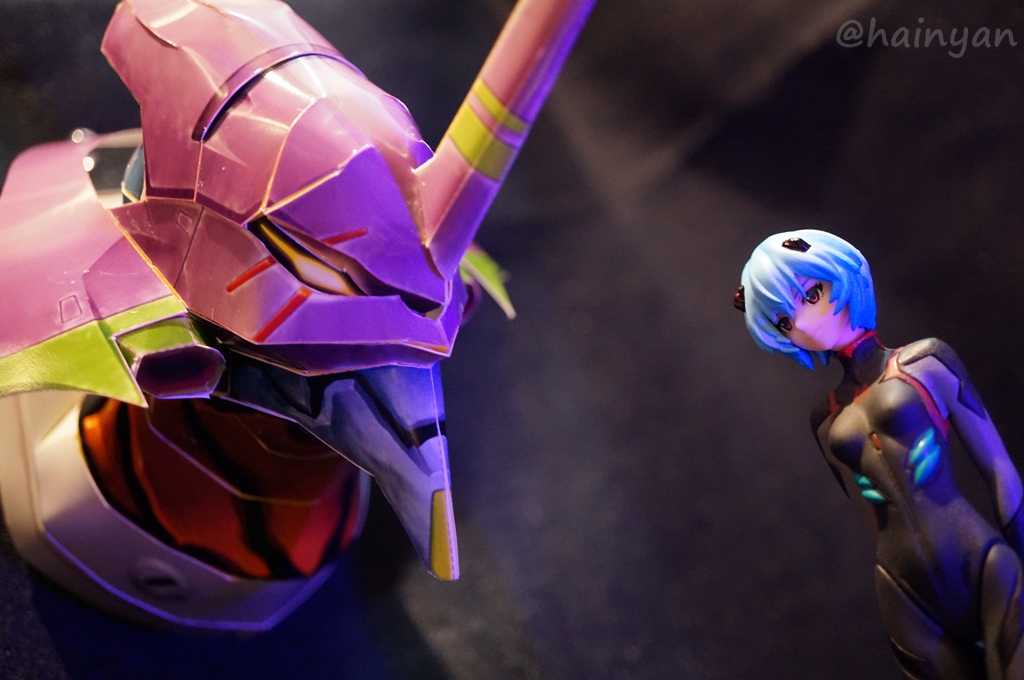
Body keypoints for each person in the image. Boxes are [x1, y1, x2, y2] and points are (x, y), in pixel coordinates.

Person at [737, 229, 1024, 680]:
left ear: (840, 272)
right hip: (902, 588)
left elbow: (998, 468)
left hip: (980, 562)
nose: (805, 323)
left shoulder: (926, 362)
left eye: (812, 294)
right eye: (784, 322)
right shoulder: (825, 422)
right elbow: (872, 519)